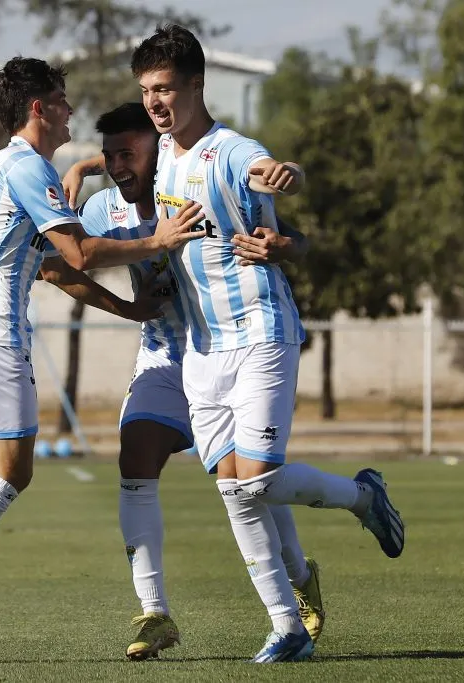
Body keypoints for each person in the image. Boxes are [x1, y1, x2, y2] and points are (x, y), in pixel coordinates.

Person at [0, 56, 206, 658]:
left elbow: (55, 266)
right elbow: (79, 253)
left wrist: (131, 310)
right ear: (39, 108)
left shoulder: (6, 165)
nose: (69, 110)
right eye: (61, 100)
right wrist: (156, 242)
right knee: (12, 470)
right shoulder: (26, 166)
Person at [129, 25, 406, 663]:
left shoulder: (230, 150)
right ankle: (287, 626)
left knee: (254, 482)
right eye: (147, 90)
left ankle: (363, 496)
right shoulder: (164, 154)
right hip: (202, 348)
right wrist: (86, 166)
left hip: (260, 333)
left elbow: (274, 171)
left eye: (165, 88)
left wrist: (288, 177)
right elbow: (121, 149)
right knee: (234, 490)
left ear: (197, 85)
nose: (155, 102)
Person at [63, 102, 325, 661]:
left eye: (126, 155)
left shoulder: (188, 182)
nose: (116, 167)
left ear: (157, 152)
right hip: (164, 353)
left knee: (250, 478)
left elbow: (291, 232)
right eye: (109, 156)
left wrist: (287, 247)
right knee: (136, 458)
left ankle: (300, 577)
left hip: (228, 346)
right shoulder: (104, 207)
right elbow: (60, 263)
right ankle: (154, 613)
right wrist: (129, 308)